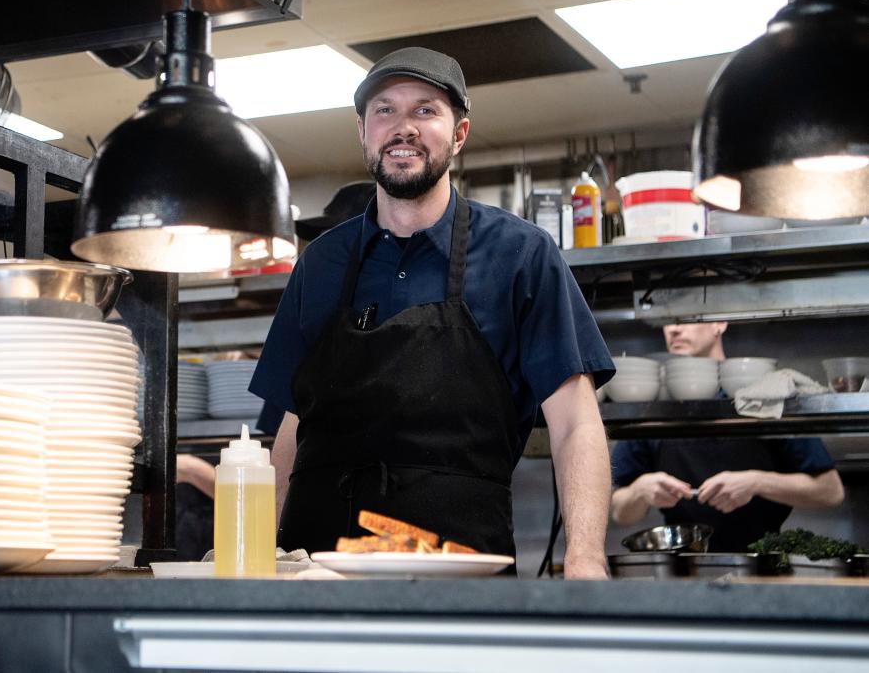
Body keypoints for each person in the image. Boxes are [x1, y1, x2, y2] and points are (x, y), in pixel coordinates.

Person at [249, 47, 616, 579]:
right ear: (362, 130)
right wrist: (259, 555)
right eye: (385, 110)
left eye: (425, 110)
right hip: (317, 573)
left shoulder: (522, 254)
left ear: (460, 134)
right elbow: (291, 424)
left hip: (462, 568)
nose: (403, 127)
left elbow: (575, 420)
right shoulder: (320, 263)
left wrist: (584, 558)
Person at [610, 322, 845, 551]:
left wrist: (756, 482)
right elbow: (620, 512)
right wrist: (639, 490)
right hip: (684, 569)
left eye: (687, 319)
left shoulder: (763, 396)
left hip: (759, 565)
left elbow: (830, 491)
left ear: (719, 324)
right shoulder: (655, 405)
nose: (674, 328)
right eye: (667, 321)